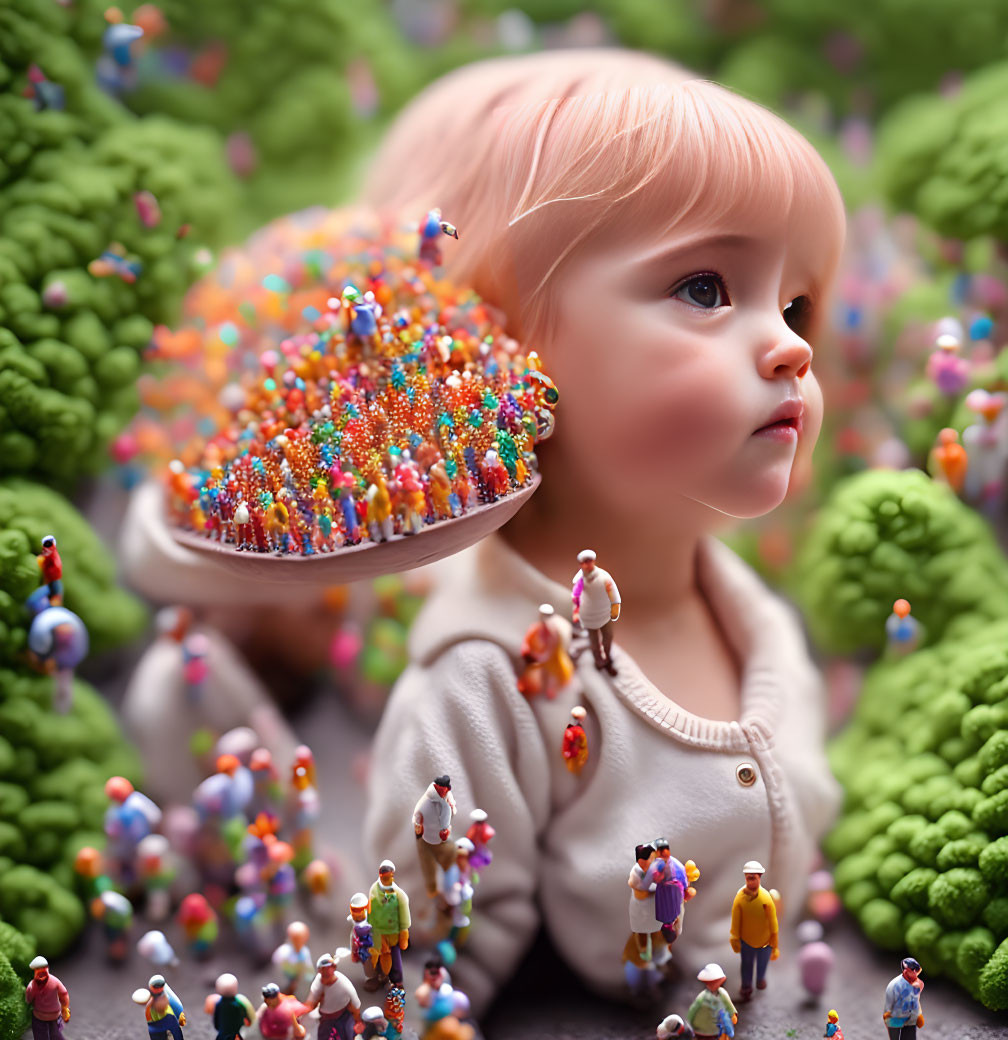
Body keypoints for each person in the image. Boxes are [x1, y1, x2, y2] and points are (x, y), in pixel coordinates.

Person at [361, 48, 845, 1013]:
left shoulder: (745, 607)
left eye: (794, 303)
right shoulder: (489, 679)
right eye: (707, 288)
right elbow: (426, 951)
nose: (791, 343)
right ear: (494, 346)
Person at [728, 860, 779, 1000]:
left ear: (759, 877)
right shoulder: (740, 898)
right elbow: (736, 918)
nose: (750, 881)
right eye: (748, 877)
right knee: (746, 965)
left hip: (765, 941)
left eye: (753, 878)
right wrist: (734, 936)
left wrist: (774, 941)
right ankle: (746, 986)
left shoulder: (766, 898)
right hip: (746, 940)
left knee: (762, 964)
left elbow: (773, 920)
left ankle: (760, 979)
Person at [303, 954, 361, 1040]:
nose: (323, 980)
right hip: (326, 1018)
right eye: (322, 974)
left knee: (348, 1035)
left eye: (326, 976)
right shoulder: (319, 980)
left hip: (343, 1016)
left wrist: (357, 1021)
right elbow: (311, 1002)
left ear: (333, 969)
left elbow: (356, 1006)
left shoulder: (345, 985)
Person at [24, 956, 70, 1040]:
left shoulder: (54, 982)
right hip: (40, 1016)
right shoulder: (32, 986)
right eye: (38, 971)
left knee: (55, 1036)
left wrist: (65, 1008)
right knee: (44, 1036)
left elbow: (64, 995)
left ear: (47, 969)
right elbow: (28, 999)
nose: (41, 974)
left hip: (52, 1016)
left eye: (43, 970)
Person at [883, 957, 924, 1040]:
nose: (916, 973)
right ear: (906, 970)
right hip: (895, 1016)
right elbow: (889, 1000)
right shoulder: (895, 985)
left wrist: (918, 1014)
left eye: (917, 971)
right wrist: (887, 1012)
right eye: (913, 970)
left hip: (911, 1018)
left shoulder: (918, 984)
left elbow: (916, 1000)